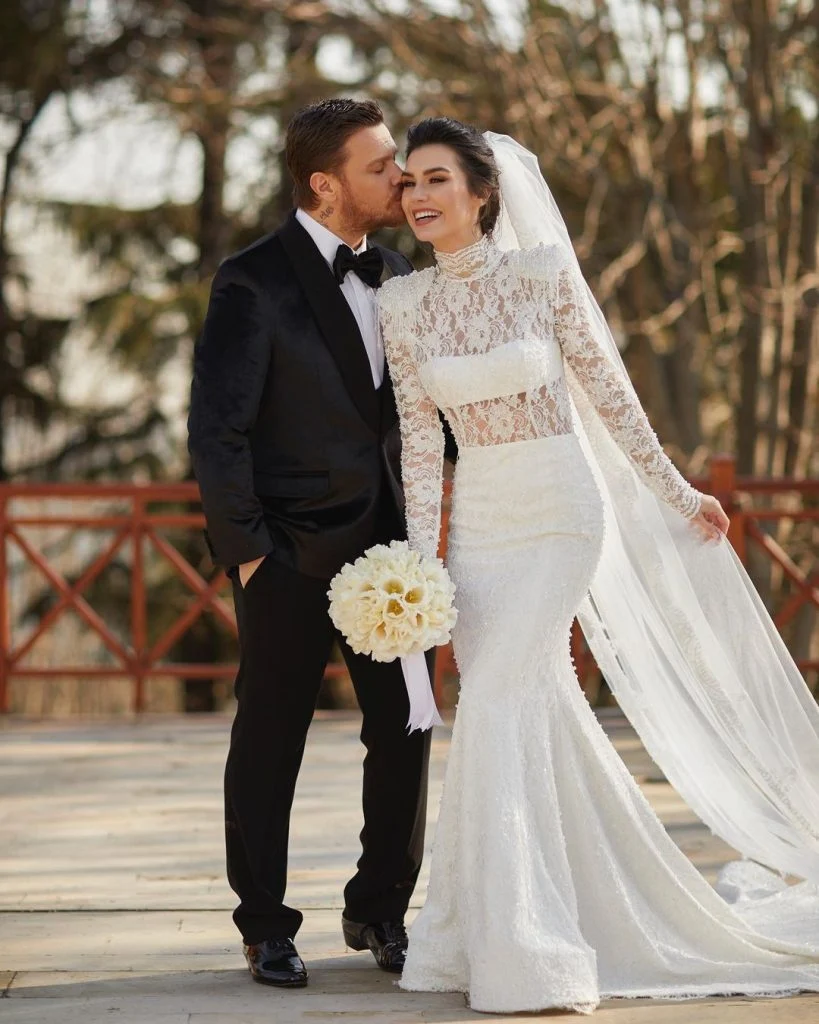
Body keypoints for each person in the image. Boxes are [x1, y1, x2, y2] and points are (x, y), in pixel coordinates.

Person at [378, 116, 819, 1014]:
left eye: (436, 178)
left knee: (495, 696)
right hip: (480, 525)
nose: (418, 195)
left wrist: (675, 492)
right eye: (409, 182)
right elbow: (421, 446)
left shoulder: (540, 275)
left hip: (560, 514)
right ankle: (517, 919)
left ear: (482, 192)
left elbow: (610, 397)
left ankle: (528, 943)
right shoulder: (402, 304)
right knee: (519, 704)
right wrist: (420, 569)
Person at [187, 99, 453, 989]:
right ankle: (264, 925)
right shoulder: (251, 280)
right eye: (380, 166)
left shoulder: (400, 272)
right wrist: (249, 553)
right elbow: (217, 429)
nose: (401, 177)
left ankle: (379, 909)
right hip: (288, 557)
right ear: (323, 183)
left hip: (391, 557)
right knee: (271, 740)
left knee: (404, 731)